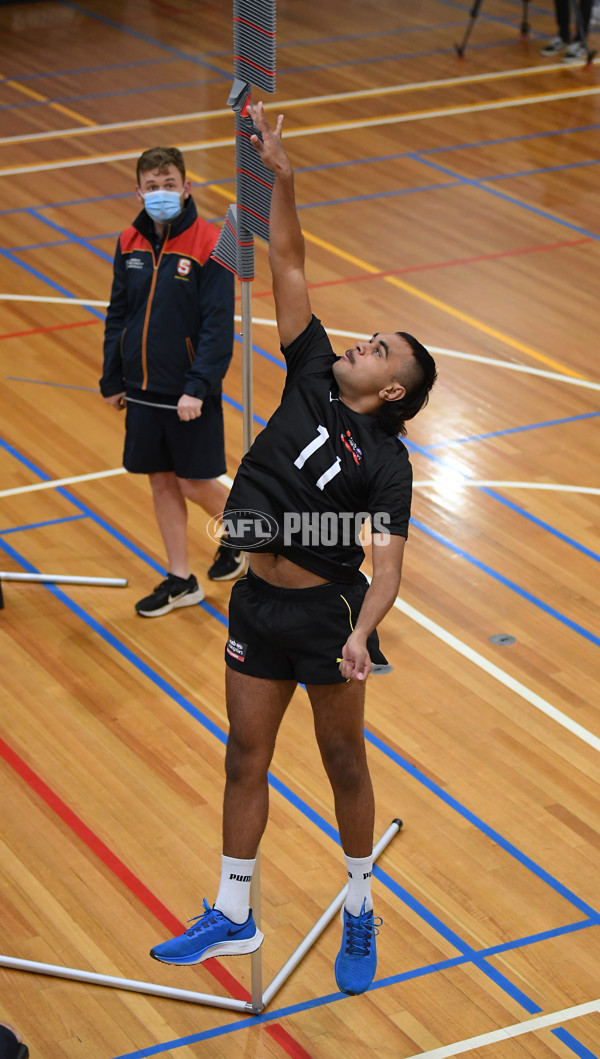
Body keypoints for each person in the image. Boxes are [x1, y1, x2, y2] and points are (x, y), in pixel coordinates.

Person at [149, 104, 437, 995]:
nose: (361, 339)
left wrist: (363, 633)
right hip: (257, 605)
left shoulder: (388, 466)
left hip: (325, 615)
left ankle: (358, 903)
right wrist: (281, 172)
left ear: (390, 388)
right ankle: (234, 912)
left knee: (343, 762)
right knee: (244, 754)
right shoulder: (310, 366)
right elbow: (288, 259)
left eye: (378, 347)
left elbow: (385, 568)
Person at [100, 146, 244, 618]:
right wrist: (113, 377)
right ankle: (182, 579)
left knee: (195, 483)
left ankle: (244, 540)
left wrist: (198, 386)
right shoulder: (128, 242)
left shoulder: (211, 243)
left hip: (189, 394)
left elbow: (218, 325)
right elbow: (118, 313)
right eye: (151, 185)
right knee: (161, 480)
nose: (160, 193)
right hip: (142, 390)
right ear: (138, 191)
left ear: (186, 188)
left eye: (169, 184)